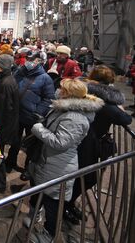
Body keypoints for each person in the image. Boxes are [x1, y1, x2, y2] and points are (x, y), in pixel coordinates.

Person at [27, 79, 103, 242]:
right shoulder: (63, 108)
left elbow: (60, 143)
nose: (58, 90)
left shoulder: (75, 117)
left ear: (68, 94)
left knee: (53, 201)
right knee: (39, 192)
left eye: (61, 89)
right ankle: (34, 218)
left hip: (58, 165)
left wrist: (38, 128)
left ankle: (49, 233)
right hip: (47, 160)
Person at [63, 66, 132, 224]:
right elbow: (125, 120)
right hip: (87, 143)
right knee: (87, 178)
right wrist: (119, 108)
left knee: (79, 176)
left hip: (76, 136)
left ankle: (67, 203)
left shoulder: (83, 91)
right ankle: (66, 204)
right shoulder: (105, 102)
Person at [6, 51, 55, 180]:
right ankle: (10, 162)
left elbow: (49, 98)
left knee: (31, 144)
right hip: (17, 114)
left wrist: (38, 112)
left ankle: (28, 168)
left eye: (34, 59)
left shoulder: (45, 78)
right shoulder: (19, 72)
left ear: (39, 62)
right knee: (15, 141)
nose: (30, 61)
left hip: (31, 116)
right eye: (29, 58)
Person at [0, 54, 20, 193]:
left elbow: (1, 111)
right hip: (4, 127)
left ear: (2, 67)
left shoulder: (4, 84)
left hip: (0, 128)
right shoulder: (6, 80)